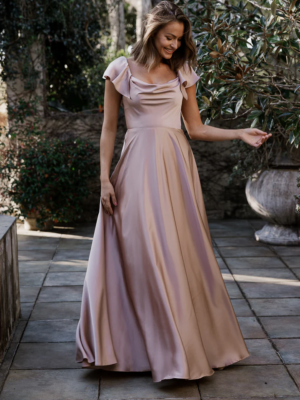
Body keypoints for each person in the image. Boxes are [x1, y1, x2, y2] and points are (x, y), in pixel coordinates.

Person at [75, 1, 272, 383]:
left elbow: (195, 128)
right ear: (152, 32)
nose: (173, 44)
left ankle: (180, 351)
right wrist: (104, 179)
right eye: (169, 37)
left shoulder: (183, 71)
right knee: (139, 253)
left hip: (175, 170)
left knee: (176, 253)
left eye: (179, 39)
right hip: (133, 171)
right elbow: (109, 130)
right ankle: (142, 348)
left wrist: (238, 133)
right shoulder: (119, 70)